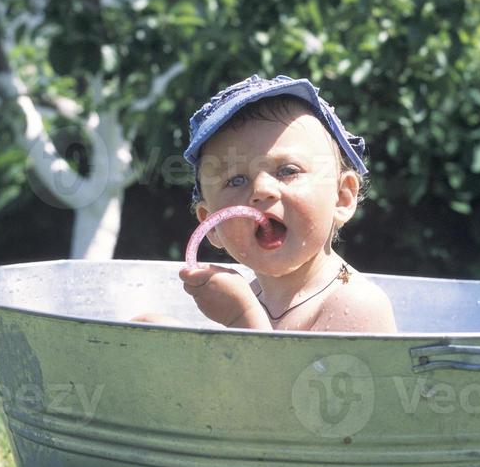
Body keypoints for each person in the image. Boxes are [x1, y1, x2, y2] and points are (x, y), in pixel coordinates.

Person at [130, 74, 398, 333]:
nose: (260, 190)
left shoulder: (355, 303)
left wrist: (241, 317)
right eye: (235, 181)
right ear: (211, 225)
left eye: (287, 170)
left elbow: (277, 379)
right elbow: (229, 376)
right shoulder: (252, 295)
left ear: (342, 197)